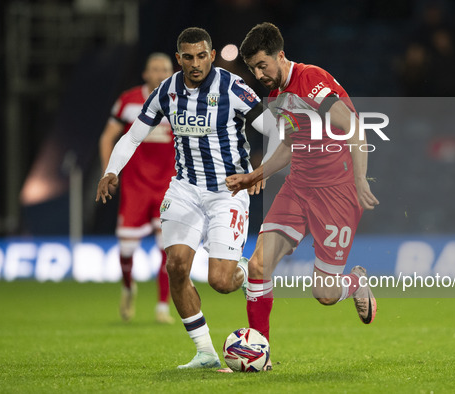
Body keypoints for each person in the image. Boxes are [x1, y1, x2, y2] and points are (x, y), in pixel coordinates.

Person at [96, 27, 280, 369]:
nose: (195, 64)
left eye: (201, 56)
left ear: (211, 55)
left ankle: (243, 272)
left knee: (220, 282)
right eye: (188, 57)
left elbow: (275, 130)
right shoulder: (166, 91)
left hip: (228, 191)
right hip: (184, 189)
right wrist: (111, 171)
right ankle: (206, 353)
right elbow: (133, 136)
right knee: (177, 266)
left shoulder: (233, 88)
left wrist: (260, 172)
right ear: (178, 58)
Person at [226, 22, 380, 370]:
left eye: (263, 65)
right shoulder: (276, 96)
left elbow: (353, 125)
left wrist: (359, 179)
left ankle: (356, 282)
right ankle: (258, 355)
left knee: (324, 294)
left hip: (336, 193)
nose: (258, 73)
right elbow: (289, 147)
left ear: (281, 55)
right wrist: (255, 174)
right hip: (298, 187)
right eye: (252, 68)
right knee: (258, 265)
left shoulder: (309, 81)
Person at [99, 53, 175, 324]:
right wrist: (109, 172)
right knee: (127, 248)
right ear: (145, 74)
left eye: (165, 69)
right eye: (154, 69)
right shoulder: (129, 101)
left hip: (169, 187)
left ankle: (162, 307)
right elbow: (107, 137)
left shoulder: (182, 100)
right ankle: (128, 287)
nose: (159, 73)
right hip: (135, 186)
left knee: (167, 248)